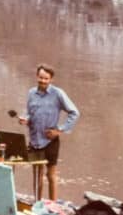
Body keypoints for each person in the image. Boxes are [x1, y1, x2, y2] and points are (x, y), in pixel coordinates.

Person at [19, 63, 79, 201]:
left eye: (46, 78)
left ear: (51, 79)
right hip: (34, 140)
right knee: (37, 175)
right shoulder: (31, 93)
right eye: (41, 78)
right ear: (37, 76)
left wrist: (60, 130)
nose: (43, 81)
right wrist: (25, 119)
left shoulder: (58, 94)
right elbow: (29, 112)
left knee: (51, 175)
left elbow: (74, 113)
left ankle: (53, 205)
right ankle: (37, 203)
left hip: (50, 140)